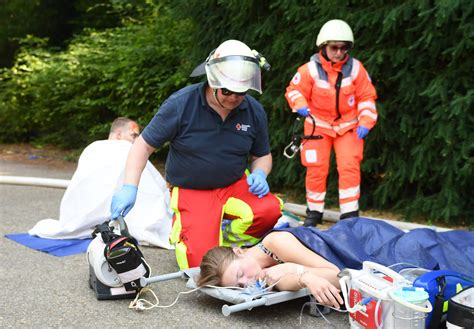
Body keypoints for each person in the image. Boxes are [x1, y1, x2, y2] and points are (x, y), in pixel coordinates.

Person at [110, 40, 282, 269]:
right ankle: (194, 233)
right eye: (228, 91)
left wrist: (260, 173)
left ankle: (231, 243)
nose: (234, 98)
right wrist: (129, 187)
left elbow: (262, 155)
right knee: (203, 266)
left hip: (234, 184)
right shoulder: (181, 105)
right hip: (193, 189)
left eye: (241, 93)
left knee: (269, 211)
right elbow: (142, 146)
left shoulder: (252, 110)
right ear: (213, 81)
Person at [197, 218, 474, 310]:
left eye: (240, 274)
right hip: (349, 244)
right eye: (239, 285)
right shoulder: (266, 274)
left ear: (239, 251)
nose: (247, 283)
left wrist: (301, 273)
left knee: (424, 255)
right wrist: (300, 276)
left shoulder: (275, 244)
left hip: (360, 241)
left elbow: (338, 273)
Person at [285, 19, 378, 226]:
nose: (339, 52)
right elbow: (294, 90)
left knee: (349, 166)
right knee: (316, 168)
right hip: (318, 125)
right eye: (334, 47)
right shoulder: (308, 70)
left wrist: (366, 121)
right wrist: (299, 104)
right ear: (323, 47)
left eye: (343, 48)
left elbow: (366, 98)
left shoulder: (356, 69)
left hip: (348, 126)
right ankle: (314, 213)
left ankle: (350, 215)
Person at [29, 117, 173, 249]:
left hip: (80, 212)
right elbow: (153, 186)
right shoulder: (127, 149)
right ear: (118, 134)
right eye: (133, 135)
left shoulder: (92, 148)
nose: (136, 141)